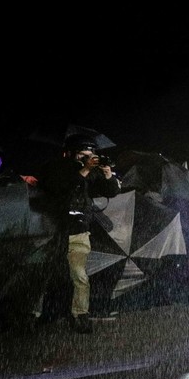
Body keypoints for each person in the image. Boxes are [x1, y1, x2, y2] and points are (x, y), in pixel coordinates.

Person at [34, 135, 121, 333]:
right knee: (45, 275)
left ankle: (80, 315)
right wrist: (85, 170)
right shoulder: (56, 168)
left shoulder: (91, 172)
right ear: (70, 153)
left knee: (80, 276)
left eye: (90, 155)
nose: (87, 159)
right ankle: (35, 314)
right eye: (83, 155)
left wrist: (108, 174)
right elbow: (60, 187)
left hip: (79, 231)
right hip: (53, 230)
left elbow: (111, 191)